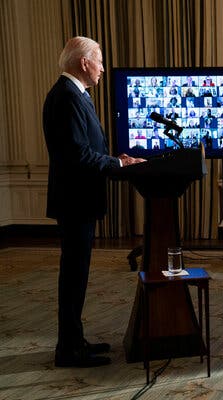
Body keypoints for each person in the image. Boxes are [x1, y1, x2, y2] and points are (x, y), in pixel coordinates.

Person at [43, 36, 145, 368]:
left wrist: (115, 159)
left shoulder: (75, 95)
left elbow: (86, 150)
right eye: (99, 60)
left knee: (76, 274)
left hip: (79, 200)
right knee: (73, 276)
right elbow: (77, 156)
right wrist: (117, 165)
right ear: (84, 63)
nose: (103, 67)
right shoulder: (67, 97)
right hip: (75, 202)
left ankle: (75, 341)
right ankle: (69, 350)